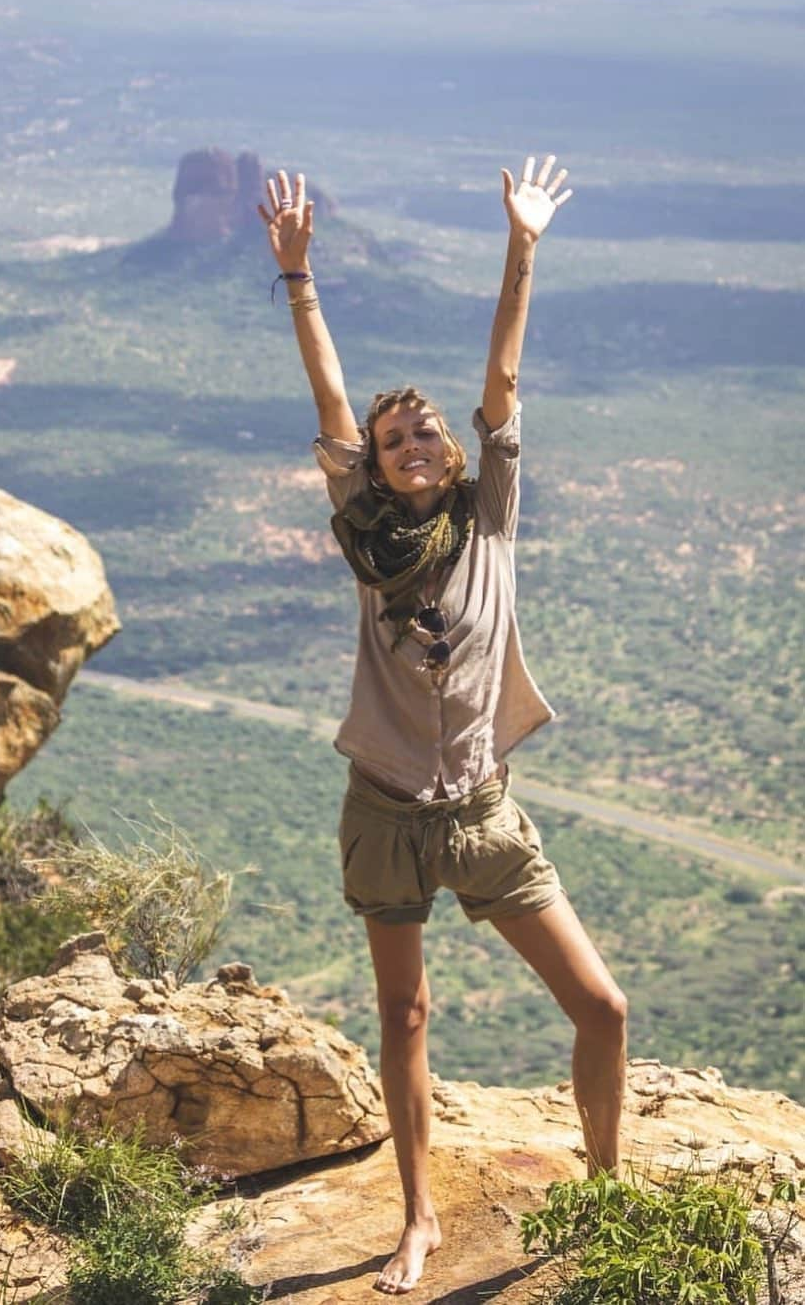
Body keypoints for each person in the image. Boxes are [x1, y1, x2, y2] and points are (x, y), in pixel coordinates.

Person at [258, 157, 628, 1296]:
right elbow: (328, 403)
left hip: (480, 812)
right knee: (405, 1015)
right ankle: (416, 1222)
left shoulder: (490, 521)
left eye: (424, 433)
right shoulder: (367, 535)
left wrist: (523, 245)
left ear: (453, 454)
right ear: (374, 465)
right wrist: (298, 276)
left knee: (602, 1008)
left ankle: (607, 1194)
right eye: (391, 438)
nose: (411, 441)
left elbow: (503, 374)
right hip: (382, 806)